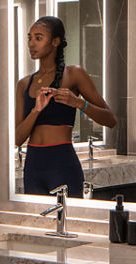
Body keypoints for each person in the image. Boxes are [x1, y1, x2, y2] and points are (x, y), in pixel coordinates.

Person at [14, 15, 117, 197]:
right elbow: (17, 139)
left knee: (68, 222)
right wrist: (36, 110)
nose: (31, 43)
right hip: (33, 166)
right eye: (29, 38)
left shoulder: (74, 74)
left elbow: (110, 120)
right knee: (37, 223)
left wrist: (78, 103)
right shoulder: (24, 84)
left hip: (62, 163)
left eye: (38, 38)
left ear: (56, 41)